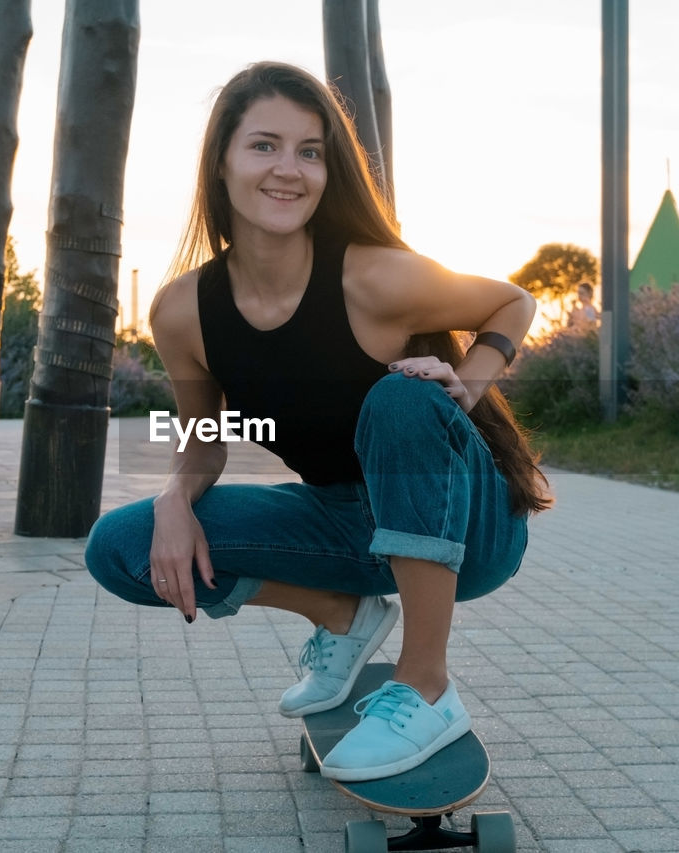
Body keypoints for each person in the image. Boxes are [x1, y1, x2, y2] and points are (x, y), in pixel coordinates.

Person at [86, 61, 550, 782]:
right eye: (265, 145)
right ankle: (341, 613)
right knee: (123, 545)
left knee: (400, 399)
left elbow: (512, 301)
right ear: (222, 162)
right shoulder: (183, 311)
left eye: (310, 151)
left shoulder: (370, 277)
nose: (290, 169)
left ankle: (426, 684)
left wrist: (467, 385)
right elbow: (201, 438)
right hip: (347, 525)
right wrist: (174, 497)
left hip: (468, 528)